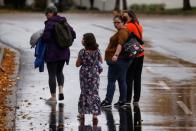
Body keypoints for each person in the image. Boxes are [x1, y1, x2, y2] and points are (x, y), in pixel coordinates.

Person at [41, 6, 76, 103]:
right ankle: (61, 90)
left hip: (52, 53)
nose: (46, 15)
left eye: (47, 13)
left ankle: (53, 98)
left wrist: (43, 36)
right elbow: (73, 34)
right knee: (59, 72)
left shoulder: (50, 23)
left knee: (52, 74)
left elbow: (46, 38)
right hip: (64, 53)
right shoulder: (64, 21)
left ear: (52, 13)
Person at [101, 15, 131, 108]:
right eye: (114, 22)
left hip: (118, 60)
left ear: (123, 22)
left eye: (118, 22)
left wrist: (116, 55)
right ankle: (122, 100)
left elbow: (120, 44)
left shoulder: (122, 31)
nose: (116, 24)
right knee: (122, 80)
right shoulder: (123, 31)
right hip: (122, 60)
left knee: (111, 80)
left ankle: (108, 101)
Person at [76, 33, 102, 123]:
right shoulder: (97, 51)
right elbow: (101, 61)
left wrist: (84, 61)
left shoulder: (82, 52)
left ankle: (82, 113)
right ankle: (95, 114)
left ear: (86, 41)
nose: (82, 40)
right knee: (94, 92)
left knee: (84, 92)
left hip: (84, 74)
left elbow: (77, 64)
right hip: (94, 73)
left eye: (83, 39)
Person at [122, 10, 144, 105]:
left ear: (130, 16)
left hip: (132, 54)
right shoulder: (139, 25)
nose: (123, 17)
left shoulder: (128, 26)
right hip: (140, 53)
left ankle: (128, 99)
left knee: (129, 77)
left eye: (125, 16)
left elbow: (123, 38)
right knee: (137, 77)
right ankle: (136, 99)